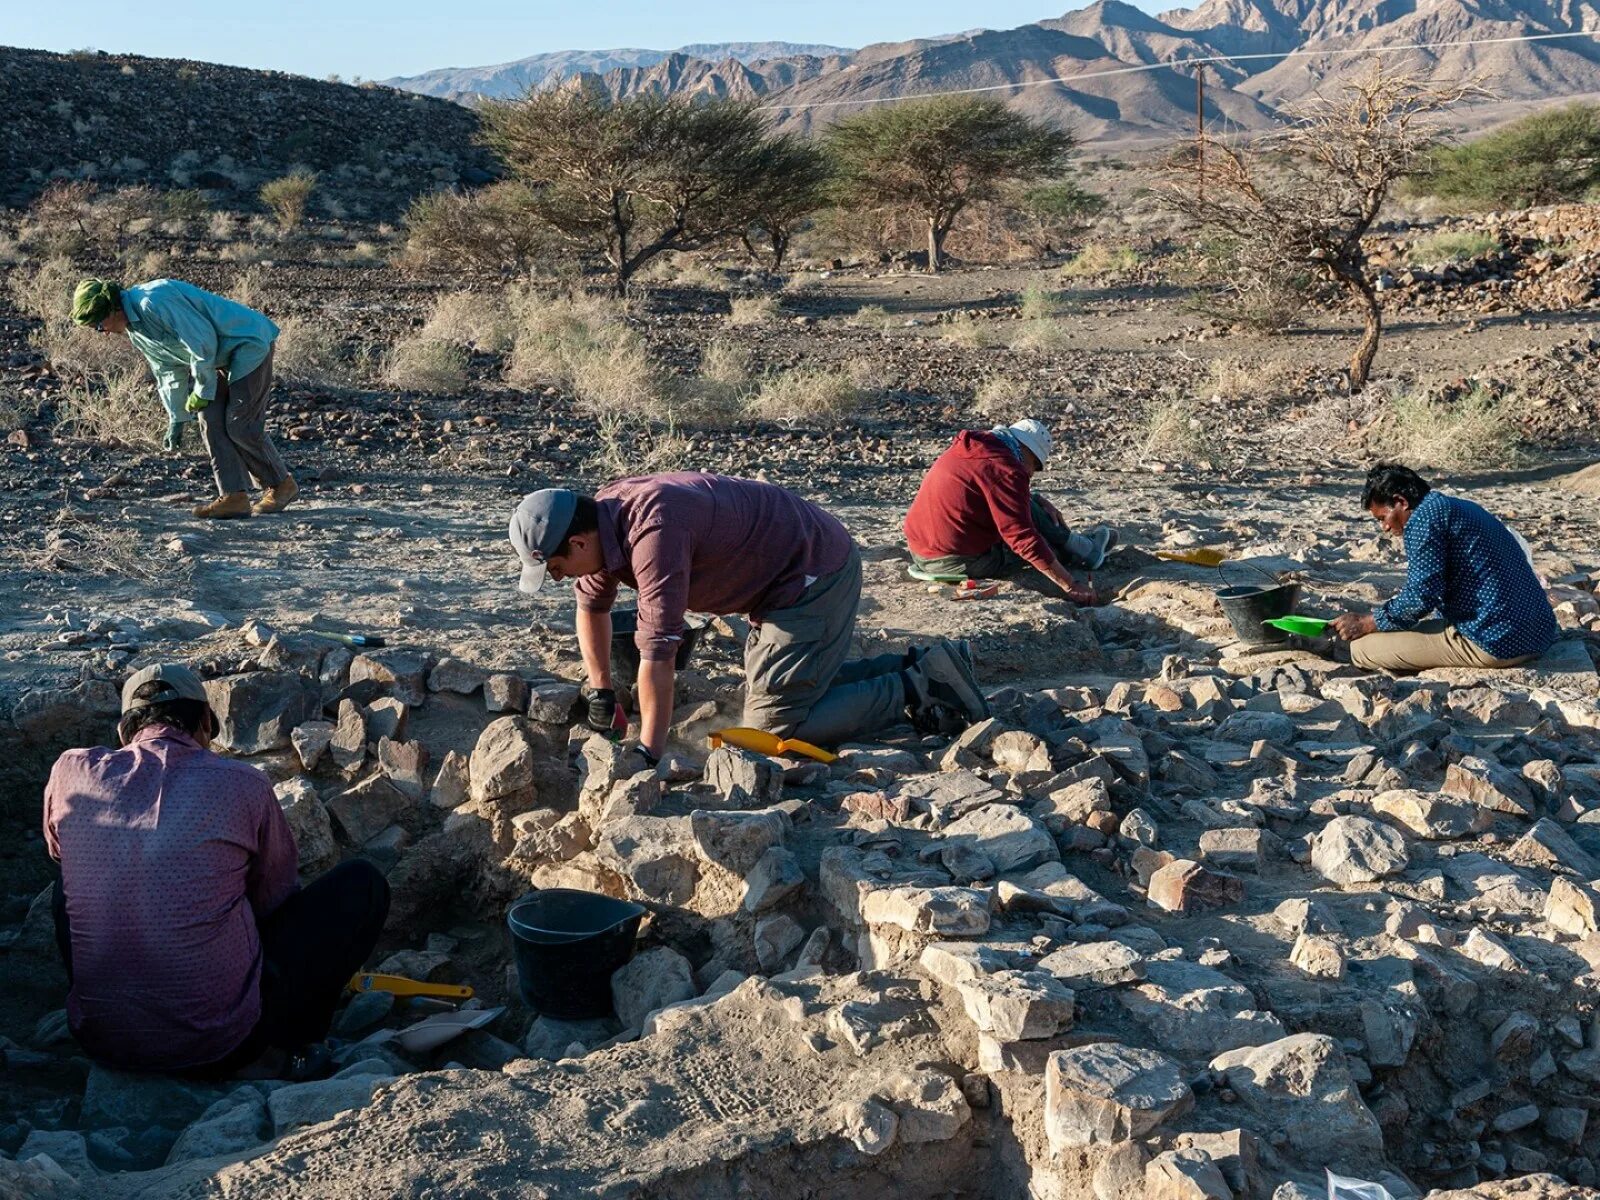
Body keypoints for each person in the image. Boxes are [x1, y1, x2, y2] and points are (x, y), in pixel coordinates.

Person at [43, 664, 390, 1078]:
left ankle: (114, 1006)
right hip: (222, 1047)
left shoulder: (70, 770)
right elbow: (273, 897)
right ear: (207, 723)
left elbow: (60, 852)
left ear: (124, 731)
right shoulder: (244, 782)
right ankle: (290, 1046)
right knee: (361, 884)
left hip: (102, 1041)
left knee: (68, 890)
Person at [507, 473, 990, 759]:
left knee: (773, 729)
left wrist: (648, 752)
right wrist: (601, 690)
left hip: (812, 576)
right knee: (782, 693)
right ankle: (928, 663)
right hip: (780, 583)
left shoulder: (653, 533)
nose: (558, 578)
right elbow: (591, 606)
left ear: (578, 542)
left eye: (555, 568)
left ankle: (922, 688)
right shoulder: (601, 521)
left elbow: (658, 650)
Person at [70, 277, 298, 519]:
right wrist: (176, 416)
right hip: (219, 358)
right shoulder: (136, 330)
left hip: (247, 342)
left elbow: (202, 342)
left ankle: (281, 485)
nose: (102, 332)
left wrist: (202, 390)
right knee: (210, 420)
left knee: (240, 423)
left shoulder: (153, 302)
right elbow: (166, 369)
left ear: (112, 308)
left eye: (98, 325)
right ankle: (234, 497)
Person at [1330, 464, 1559, 673]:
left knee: (1362, 649)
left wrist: (1368, 622)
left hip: (1496, 642)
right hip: (1539, 633)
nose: (1385, 527)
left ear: (1401, 502)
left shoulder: (1422, 521)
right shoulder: (1457, 506)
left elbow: (1421, 598)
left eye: (1383, 517)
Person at [904, 419, 1114, 604]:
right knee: (1046, 549)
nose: (1031, 473)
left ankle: (1080, 545)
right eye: (1035, 465)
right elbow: (1022, 539)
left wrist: (1035, 498)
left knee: (1029, 504)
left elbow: (994, 492)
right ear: (1027, 451)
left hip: (920, 550)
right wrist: (1070, 584)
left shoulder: (974, 448)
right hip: (955, 560)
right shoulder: (1006, 470)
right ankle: (1078, 549)